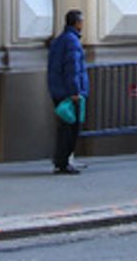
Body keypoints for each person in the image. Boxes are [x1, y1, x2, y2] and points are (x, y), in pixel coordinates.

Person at [46, 9, 88, 174]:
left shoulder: (60, 40)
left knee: (65, 126)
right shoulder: (72, 42)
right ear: (77, 23)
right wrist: (75, 91)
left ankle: (61, 160)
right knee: (71, 128)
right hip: (69, 93)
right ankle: (63, 161)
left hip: (58, 90)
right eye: (81, 21)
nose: (83, 24)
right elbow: (73, 70)